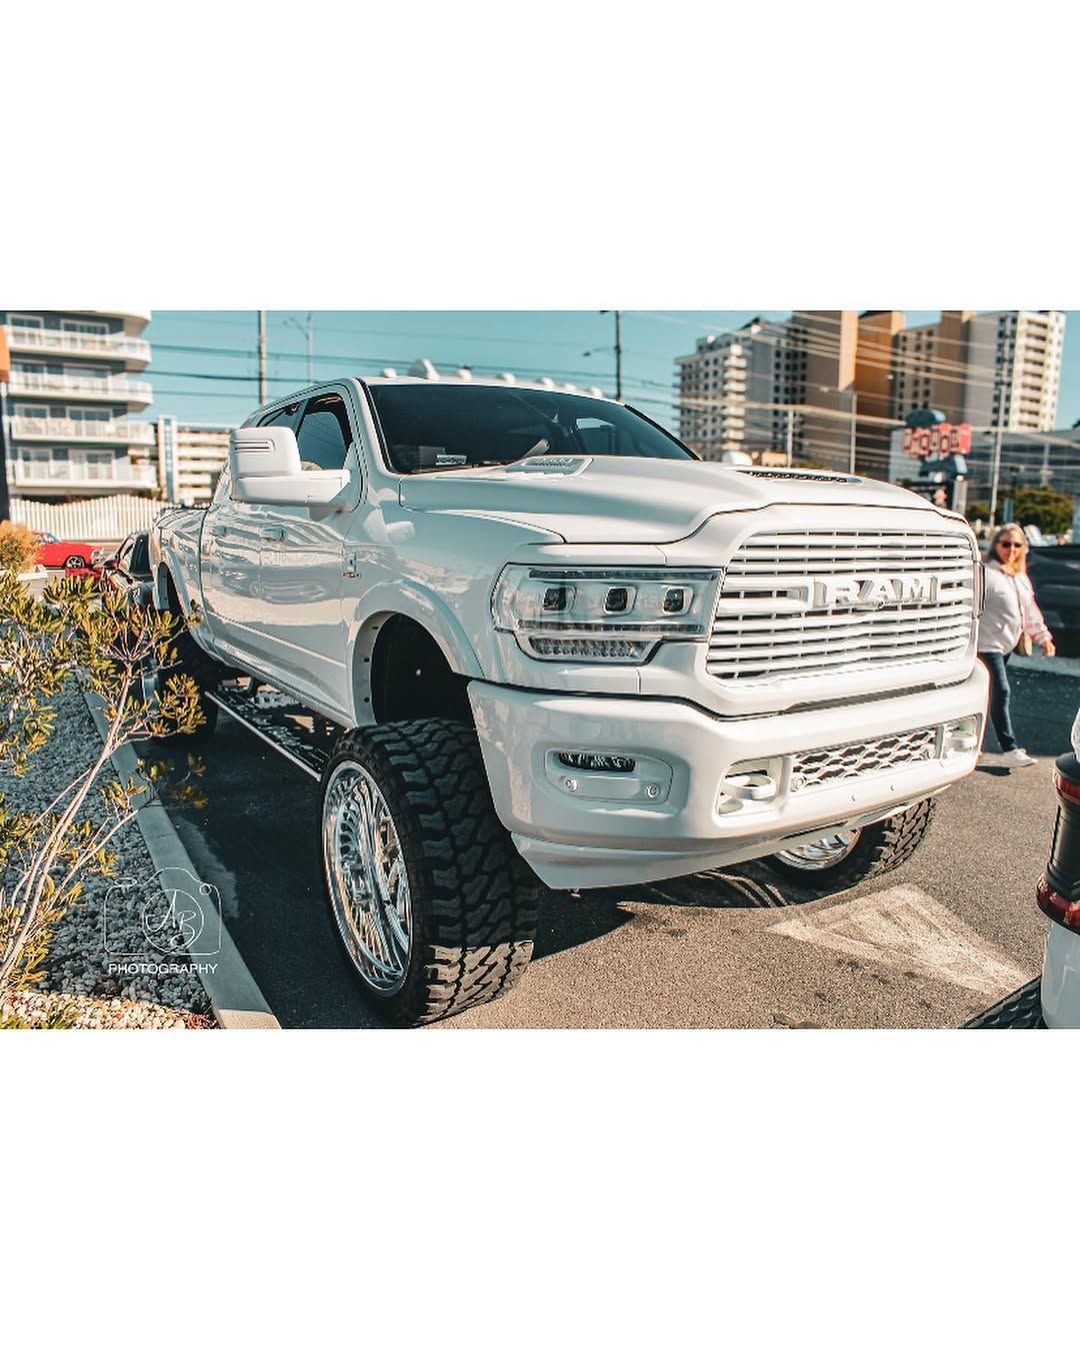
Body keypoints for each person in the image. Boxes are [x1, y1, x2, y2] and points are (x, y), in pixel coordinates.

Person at [977, 523, 1055, 767]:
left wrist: (1044, 637)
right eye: (1006, 543)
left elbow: (1029, 611)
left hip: (1006, 645)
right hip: (986, 645)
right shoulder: (986, 573)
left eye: (1017, 545)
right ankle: (1009, 749)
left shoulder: (1019, 576)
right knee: (1001, 692)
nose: (1011, 549)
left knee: (986, 696)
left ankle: (974, 745)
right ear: (996, 544)